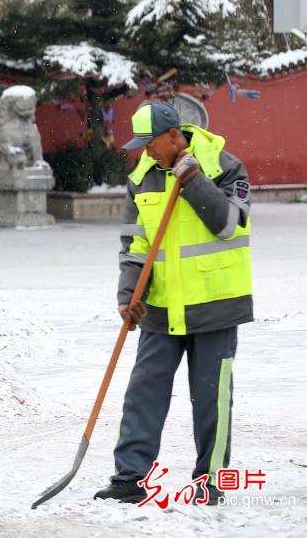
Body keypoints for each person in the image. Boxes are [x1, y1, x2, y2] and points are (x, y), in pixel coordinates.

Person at [94, 102, 252, 505]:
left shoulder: (225, 166)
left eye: (151, 144)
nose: (145, 152)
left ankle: (210, 482)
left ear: (173, 136)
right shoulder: (142, 178)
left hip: (214, 303)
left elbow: (227, 224)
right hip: (161, 307)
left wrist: (195, 180)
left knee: (211, 398)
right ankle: (129, 478)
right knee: (143, 392)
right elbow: (134, 245)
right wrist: (129, 296)